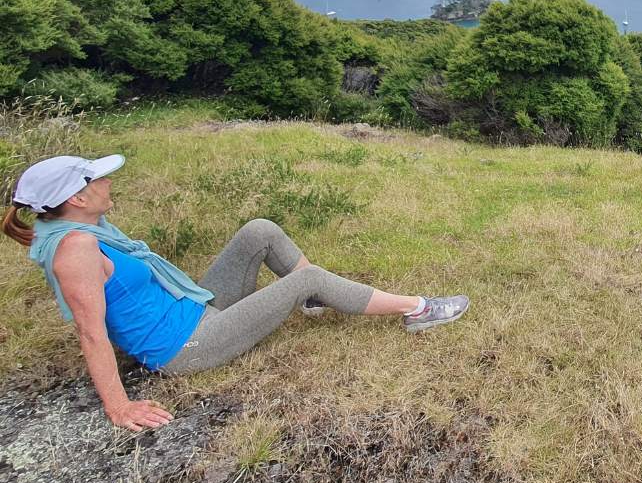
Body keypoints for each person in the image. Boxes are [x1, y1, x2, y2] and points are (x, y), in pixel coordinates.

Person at [2, 154, 469, 432]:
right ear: (77, 199)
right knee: (307, 277)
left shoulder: (81, 222)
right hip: (186, 346)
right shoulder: (75, 249)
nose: (107, 183)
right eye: (95, 180)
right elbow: (90, 332)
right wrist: (119, 406)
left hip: (192, 306)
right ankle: (418, 308)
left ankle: (314, 295)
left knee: (258, 231)